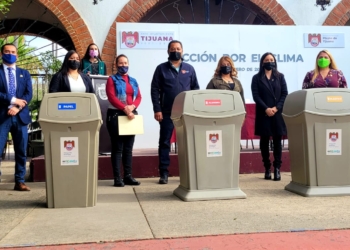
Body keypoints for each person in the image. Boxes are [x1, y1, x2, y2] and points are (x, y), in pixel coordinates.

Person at [151, 40, 199, 184]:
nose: (175, 51)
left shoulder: (189, 68)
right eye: (173, 49)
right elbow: (154, 90)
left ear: (182, 51)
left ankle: (189, 171)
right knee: (165, 142)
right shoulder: (161, 69)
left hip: (186, 113)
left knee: (188, 142)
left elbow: (195, 89)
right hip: (166, 112)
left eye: (178, 48)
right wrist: (157, 109)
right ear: (168, 51)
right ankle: (164, 173)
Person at [251, 52, 288, 181]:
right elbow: (256, 96)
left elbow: (284, 94)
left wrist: (276, 108)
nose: (269, 61)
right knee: (264, 142)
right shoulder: (256, 78)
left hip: (277, 113)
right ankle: (267, 168)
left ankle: (277, 168)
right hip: (263, 113)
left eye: (271, 59)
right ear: (262, 62)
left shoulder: (280, 77)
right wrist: (266, 108)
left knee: (278, 141)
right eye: (267, 60)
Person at [0, 43, 32, 191]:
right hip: (2, 117)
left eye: (13, 52)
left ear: (17, 55)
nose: (10, 54)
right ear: (1, 54)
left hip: (20, 117)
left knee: (21, 151)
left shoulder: (24, 74)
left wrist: (17, 107)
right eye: (7, 51)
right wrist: (13, 101)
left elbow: (28, 94)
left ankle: (19, 181)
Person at [106, 54, 141, 187]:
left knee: (128, 148)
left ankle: (128, 176)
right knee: (117, 148)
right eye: (120, 63)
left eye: (125, 63)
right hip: (116, 115)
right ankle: (117, 178)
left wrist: (133, 106)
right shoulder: (112, 79)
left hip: (131, 114)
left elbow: (139, 97)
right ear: (115, 65)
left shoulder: (133, 80)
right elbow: (111, 97)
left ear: (128, 64)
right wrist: (125, 108)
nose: (123, 65)